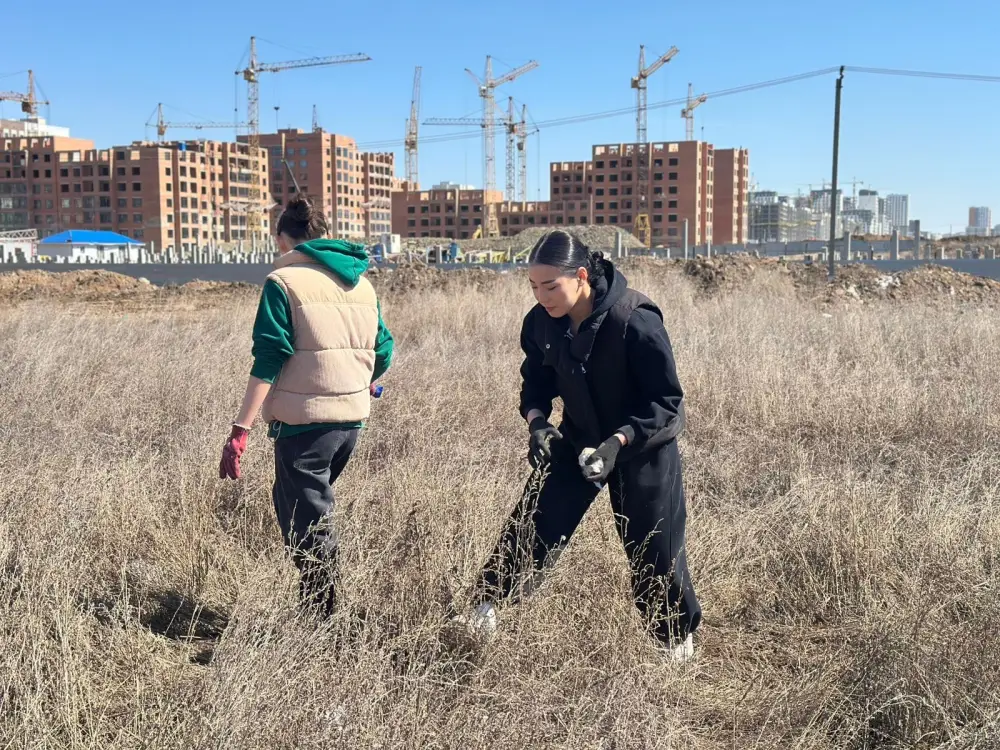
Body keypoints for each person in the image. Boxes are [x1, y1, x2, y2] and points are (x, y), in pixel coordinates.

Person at [466, 229, 701, 661]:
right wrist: (538, 423)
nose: (541, 296)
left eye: (550, 286)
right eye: (533, 286)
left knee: (653, 542)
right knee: (535, 520)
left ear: (580, 276)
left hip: (641, 445)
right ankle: (484, 607)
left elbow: (667, 403)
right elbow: (535, 382)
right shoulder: (541, 323)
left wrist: (619, 441)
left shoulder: (635, 319)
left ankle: (674, 642)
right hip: (577, 439)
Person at [219, 195, 394, 615]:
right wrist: (362, 380)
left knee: (307, 521)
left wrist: (240, 430)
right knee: (299, 506)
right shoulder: (361, 284)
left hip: (305, 424)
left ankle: (324, 618)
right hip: (351, 422)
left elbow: (269, 357)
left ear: (284, 239)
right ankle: (320, 608)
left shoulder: (283, 283)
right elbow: (383, 348)